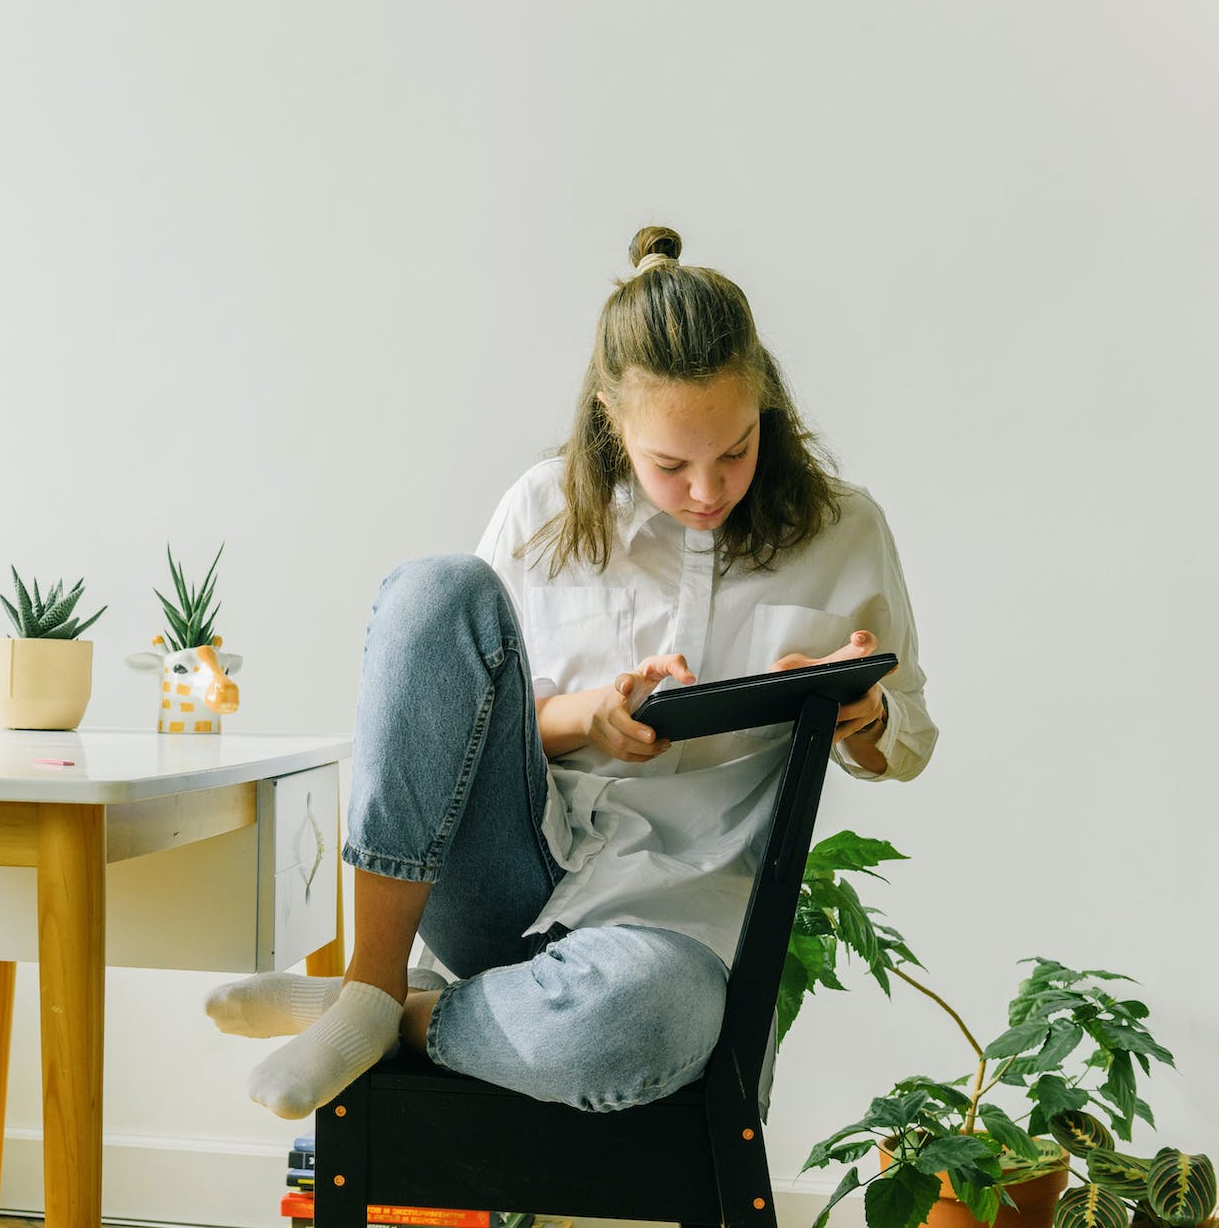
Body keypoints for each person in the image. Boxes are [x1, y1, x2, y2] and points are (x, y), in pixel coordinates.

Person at [205, 225, 937, 1121]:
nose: (707, 490)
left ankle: (395, 1017)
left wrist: (861, 715)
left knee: (650, 1014)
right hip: (515, 875)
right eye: (671, 464)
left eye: (735, 451)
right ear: (610, 418)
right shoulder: (542, 508)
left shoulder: (844, 531)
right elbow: (461, 711)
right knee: (436, 590)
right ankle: (372, 976)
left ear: (767, 406)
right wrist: (586, 717)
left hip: (677, 932)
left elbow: (907, 741)